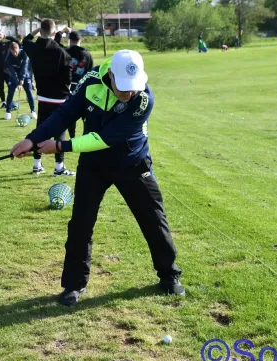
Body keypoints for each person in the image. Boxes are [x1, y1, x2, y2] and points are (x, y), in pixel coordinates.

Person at [10, 49, 185, 306]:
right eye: (123, 87)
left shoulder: (144, 98)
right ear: (110, 74)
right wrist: (32, 139)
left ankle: (169, 275)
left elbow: (106, 138)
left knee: (153, 218)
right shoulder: (91, 80)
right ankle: (73, 285)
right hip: (94, 165)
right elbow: (65, 114)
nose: (129, 93)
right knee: (81, 223)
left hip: (132, 161)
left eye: (132, 88)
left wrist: (60, 147)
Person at [22, 19, 74, 176]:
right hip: (59, 99)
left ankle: (37, 164)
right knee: (59, 133)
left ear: (41, 30)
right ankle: (59, 167)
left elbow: (26, 39)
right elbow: (68, 79)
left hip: (43, 97)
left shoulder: (33, 48)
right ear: (53, 33)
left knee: (41, 130)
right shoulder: (62, 53)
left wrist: (38, 29)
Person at [64, 31, 93, 139]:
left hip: (67, 86)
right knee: (86, 113)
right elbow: (91, 72)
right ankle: (87, 136)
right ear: (80, 40)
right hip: (83, 86)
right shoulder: (87, 54)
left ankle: (72, 137)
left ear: (69, 40)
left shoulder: (64, 52)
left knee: (71, 112)